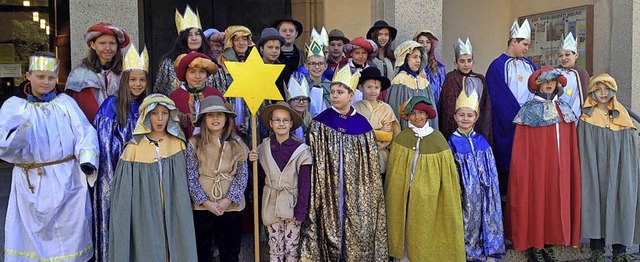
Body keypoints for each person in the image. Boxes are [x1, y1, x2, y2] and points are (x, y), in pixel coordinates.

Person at [0, 52, 98, 262]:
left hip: (67, 179)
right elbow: (4, 144)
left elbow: (85, 131)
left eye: (51, 77)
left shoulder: (66, 103)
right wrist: (17, 136)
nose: (46, 82)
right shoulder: (14, 106)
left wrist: (87, 160)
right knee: (32, 236)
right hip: (31, 183)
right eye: (40, 76)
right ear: (28, 75)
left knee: (69, 233)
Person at [300, 66, 388, 261]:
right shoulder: (320, 123)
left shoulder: (362, 125)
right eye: (332, 92)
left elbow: (371, 164)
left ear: (351, 95)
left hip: (356, 189)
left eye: (340, 92)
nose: (335, 96)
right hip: (329, 187)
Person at [108, 94, 197, 261]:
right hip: (145, 211)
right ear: (146, 116)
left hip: (174, 208)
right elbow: (123, 196)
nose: (160, 118)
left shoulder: (178, 144)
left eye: (164, 113)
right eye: (155, 113)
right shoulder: (132, 149)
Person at [506, 66, 581, 261]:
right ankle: (535, 245)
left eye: (552, 81)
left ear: (557, 84)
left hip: (559, 166)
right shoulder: (529, 110)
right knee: (537, 199)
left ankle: (549, 243)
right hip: (537, 168)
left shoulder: (564, 108)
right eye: (544, 81)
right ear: (537, 85)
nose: (548, 84)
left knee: (555, 202)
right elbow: (523, 148)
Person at [385, 96, 465, 261]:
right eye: (413, 113)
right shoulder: (402, 138)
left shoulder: (438, 139)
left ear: (427, 115)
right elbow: (394, 174)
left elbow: (448, 179)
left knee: (424, 229)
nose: (417, 117)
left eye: (421, 113)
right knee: (405, 227)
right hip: (404, 197)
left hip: (429, 198)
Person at [92, 44, 149, 262]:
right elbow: (105, 148)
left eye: (142, 80)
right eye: (133, 80)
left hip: (144, 176)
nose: (137, 84)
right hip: (116, 175)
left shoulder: (149, 106)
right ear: (125, 81)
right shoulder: (111, 107)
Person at [578, 74, 640, 262]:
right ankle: (596, 249)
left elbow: (629, 149)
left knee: (622, 201)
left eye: (606, 89)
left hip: (621, 169)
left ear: (613, 90)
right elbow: (584, 147)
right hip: (595, 168)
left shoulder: (623, 114)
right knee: (597, 202)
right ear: (592, 91)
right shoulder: (586, 117)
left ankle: (619, 252)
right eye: (598, 89)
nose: (603, 93)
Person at [185, 95, 249, 262]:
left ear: (226, 118)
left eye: (219, 114)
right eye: (210, 115)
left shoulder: (237, 143)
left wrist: (227, 201)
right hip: (203, 206)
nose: (215, 118)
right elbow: (191, 176)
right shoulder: (194, 144)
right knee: (203, 251)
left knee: (230, 251)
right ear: (204, 119)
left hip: (231, 205)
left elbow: (242, 176)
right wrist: (207, 203)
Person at [247, 102, 312, 262]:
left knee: (292, 247)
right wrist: (251, 162)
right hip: (271, 202)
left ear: (291, 123)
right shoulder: (263, 147)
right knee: (275, 246)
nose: (281, 123)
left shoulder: (301, 150)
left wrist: (301, 211)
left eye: (285, 120)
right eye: (277, 120)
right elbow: (260, 177)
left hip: (292, 203)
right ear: (271, 123)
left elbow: (305, 184)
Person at [447, 89, 505, 261]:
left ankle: (489, 250)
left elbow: (491, 171)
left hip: (485, 192)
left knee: (485, 219)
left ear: (476, 117)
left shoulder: (482, 141)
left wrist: (490, 189)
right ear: (455, 117)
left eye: (469, 115)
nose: (465, 119)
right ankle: (468, 253)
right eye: (462, 115)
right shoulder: (451, 142)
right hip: (465, 194)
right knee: (468, 222)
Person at [485, 19, 536, 196]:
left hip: (529, 124)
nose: (527, 48)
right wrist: (519, 115)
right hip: (506, 124)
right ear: (514, 41)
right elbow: (499, 98)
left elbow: (537, 91)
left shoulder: (529, 65)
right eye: (525, 44)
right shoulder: (497, 66)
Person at [66, 22, 130, 123]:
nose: (108, 48)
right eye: (102, 43)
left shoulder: (126, 73)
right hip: (90, 129)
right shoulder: (80, 75)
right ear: (93, 45)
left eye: (112, 43)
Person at [155, 5, 220, 96]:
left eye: (197, 34)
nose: (194, 38)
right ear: (182, 38)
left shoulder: (211, 62)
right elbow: (160, 92)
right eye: (189, 35)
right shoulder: (168, 63)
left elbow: (220, 93)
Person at [439, 38, 493, 145]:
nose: (466, 64)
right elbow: (447, 108)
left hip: (475, 126)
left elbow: (485, 106)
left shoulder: (480, 79)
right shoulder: (451, 78)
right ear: (455, 63)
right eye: (462, 61)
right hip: (455, 127)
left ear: (473, 62)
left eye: (469, 60)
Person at [353, 67, 399, 175]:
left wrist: (374, 134)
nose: (373, 91)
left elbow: (390, 136)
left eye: (376, 87)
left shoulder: (386, 109)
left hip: (381, 158)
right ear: (360, 87)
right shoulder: (355, 108)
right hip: (361, 156)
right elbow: (356, 134)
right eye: (369, 87)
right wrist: (379, 131)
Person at [169, 52, 224, 138]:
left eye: (202, 72)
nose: (197, 76)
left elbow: (228, 125)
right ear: (185, 74)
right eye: (192, 72)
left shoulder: (215, 95)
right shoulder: (174, 98)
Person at [386, 40, 438, 129]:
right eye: (414, 57)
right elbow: (395, 111)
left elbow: (431, 111)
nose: (418, 60)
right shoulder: (399, 81)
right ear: (405, 59)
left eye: (419, 57)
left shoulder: (424, 82)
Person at [556, 32, 589, 120]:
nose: (563, 58)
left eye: (567, 54)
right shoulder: (554, 73)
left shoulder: (581, 74)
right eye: (560, 55)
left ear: (576, 55)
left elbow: (584, 97)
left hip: (576, 116)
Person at [413, 29, 446, 105]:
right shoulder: (412, 65)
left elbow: (443, 88)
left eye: (428, 42)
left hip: (436, 105)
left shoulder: (439, 67)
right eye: (421, 42)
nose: (425, 45)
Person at [272, 15, 305, 84]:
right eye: (284, 31)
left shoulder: (302, 55)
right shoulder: (272, 54)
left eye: (291, 31)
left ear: (296, 34)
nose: (288, 34)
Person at [257, 27, 288, 96]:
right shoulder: (254, 68)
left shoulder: (283, 69)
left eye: (277, 48)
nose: (274, 51)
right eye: (270, 47)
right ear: (261, 48)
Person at [286, 76, 312, 142]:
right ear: (289, 102)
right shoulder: (285, 123)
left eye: (304, 99)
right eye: (297, 99)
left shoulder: (311, 122)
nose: (301, 102)